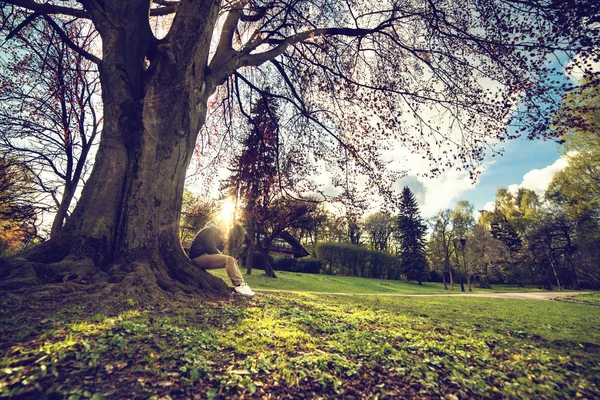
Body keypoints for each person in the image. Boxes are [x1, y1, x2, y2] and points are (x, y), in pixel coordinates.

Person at [189, 220, 255, 297]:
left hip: (203, 256)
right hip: (198, 257)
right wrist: (222, 256)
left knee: (231, 260)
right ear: (222, 226)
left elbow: (216, 251)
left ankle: (241, 284)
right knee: (229, 260)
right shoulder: (210, 230)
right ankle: (240, 285)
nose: (227, 230)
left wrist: (223, 243)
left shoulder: (215, 233)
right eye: (227, 228)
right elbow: (210, 248)